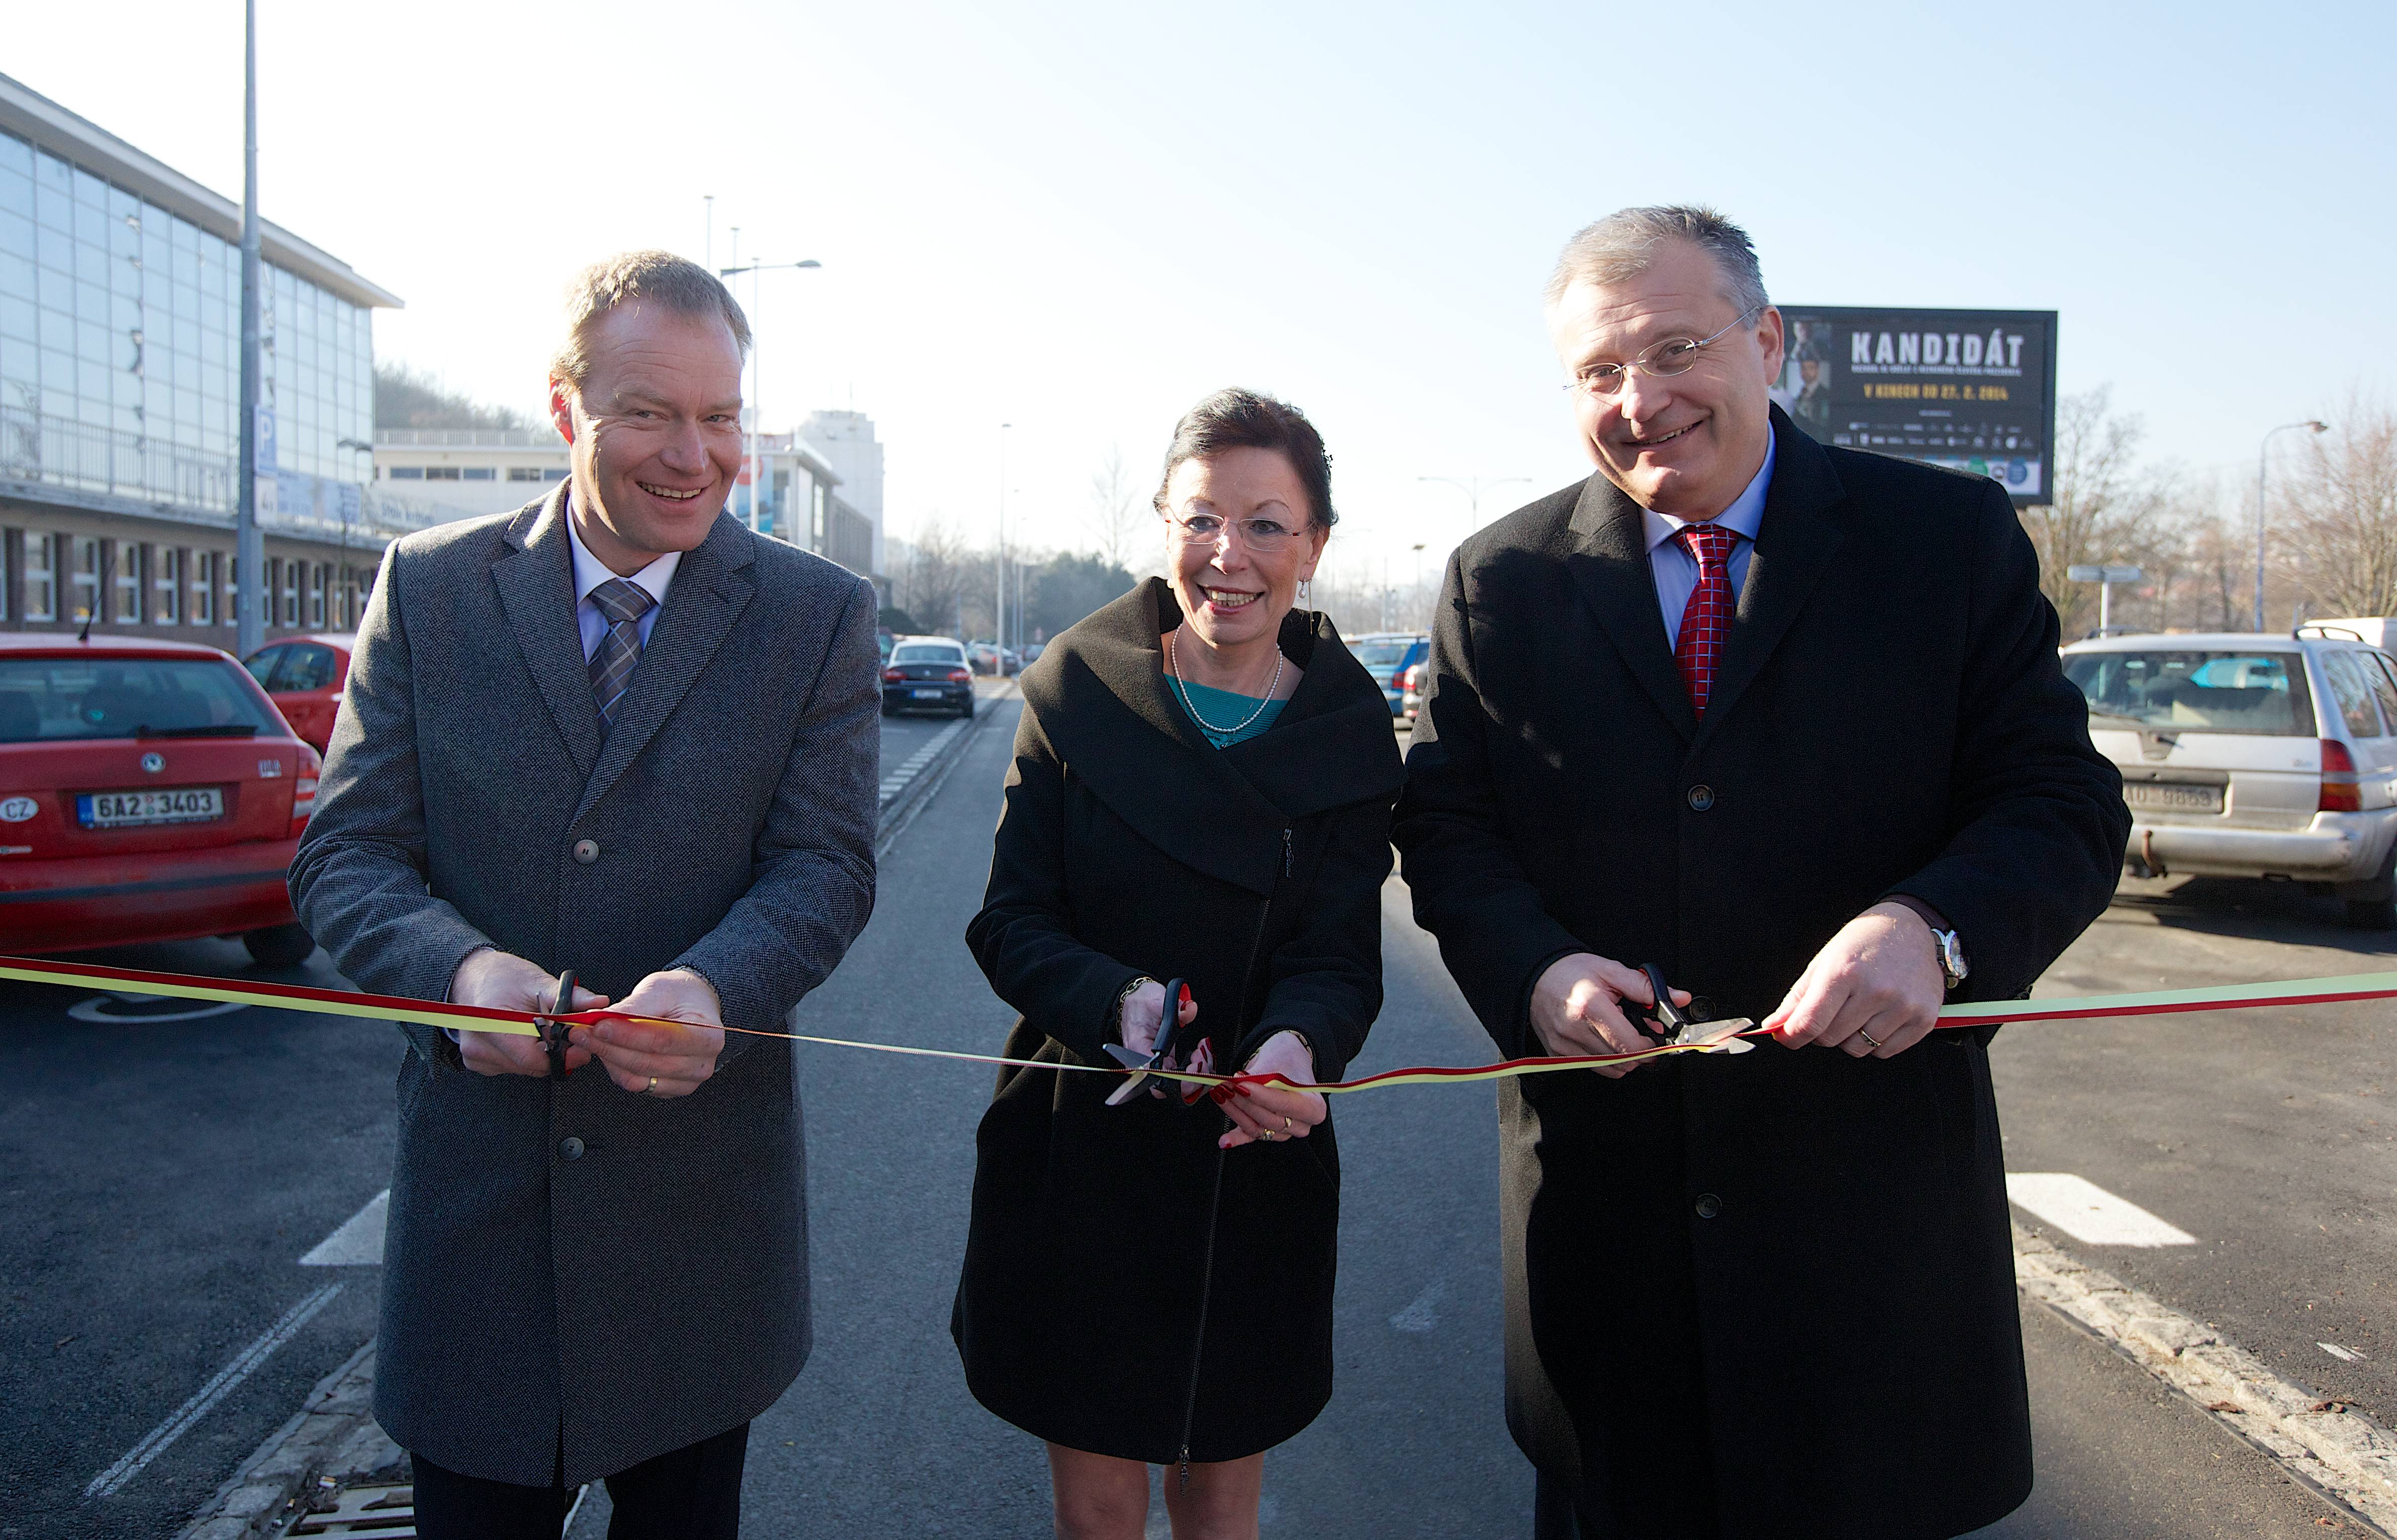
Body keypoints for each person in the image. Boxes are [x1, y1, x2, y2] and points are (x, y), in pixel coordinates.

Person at [1391, 207, 2129, 1539]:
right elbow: (1450, 834)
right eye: (1597, 373)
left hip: (1869, 1262)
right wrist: (1537, 967)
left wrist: (1933, 929)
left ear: (1767, 340)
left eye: (1676, 347)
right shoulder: (1496, 581)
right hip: (1608, 1269)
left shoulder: (1941, 542)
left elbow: (2062, 797)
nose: (1639, 400)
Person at [289, 251, 879, 1538]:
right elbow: (346, 852)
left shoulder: (817, 616)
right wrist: (456, 974)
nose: (693, 454)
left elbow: (826, 864)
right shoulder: (432, 589)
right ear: (564, 410)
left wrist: (722, 985)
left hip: (698, 1240)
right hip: (478, 1245)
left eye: (719, 415)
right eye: (648, 412)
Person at [954, 389, 1404, 1540]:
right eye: (1201, 518)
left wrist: (1299, 1041)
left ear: (1313, 544)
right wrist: (1120, 1001)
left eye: (1265, 523)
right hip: (1081, 1146)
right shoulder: (1074, 685)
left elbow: (1342, 951)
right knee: (1098, 1506)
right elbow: (1011, 920)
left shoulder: (1351, 730)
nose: (1229, 556)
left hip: (1255, 1154)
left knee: (1220, 1493)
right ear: (1162, 525)